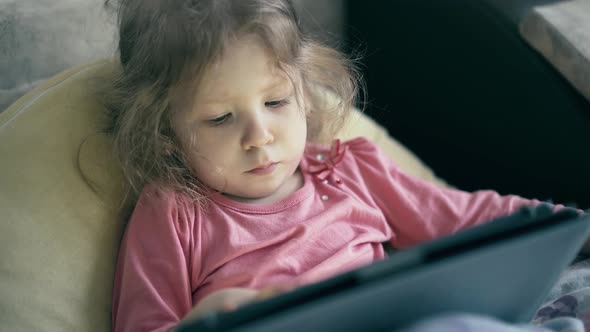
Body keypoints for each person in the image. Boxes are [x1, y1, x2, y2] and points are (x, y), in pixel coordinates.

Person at [104, 0, 583, 331]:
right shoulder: (173, 212)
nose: (259, 136)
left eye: (275, 101)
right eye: (220, 118)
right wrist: (209, 317)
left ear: (303, 91)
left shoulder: (349, 169)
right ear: (164, 135)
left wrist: (568, 225)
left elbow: (463, 217)